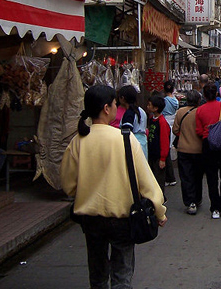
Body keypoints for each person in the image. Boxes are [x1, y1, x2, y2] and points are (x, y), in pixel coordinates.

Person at [61, 85, 167, 289]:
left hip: (91, 220)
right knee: (122, 276)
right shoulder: (126, 140)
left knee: (98, 276)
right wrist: (159, 212)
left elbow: (68, 185)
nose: (116, 107)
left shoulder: (78, 142)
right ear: (106, 108)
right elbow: (146, 182)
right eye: (114, 104)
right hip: (122, 219)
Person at [195, 83, 221, 219]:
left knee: (211, 176)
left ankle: (215, 208)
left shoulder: (200, 110)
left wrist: (207, 135)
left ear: (204, 95)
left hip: (209, 144)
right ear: (217, 93)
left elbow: (199, 130)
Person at [173, 90, 203, 215]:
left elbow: (175, 130)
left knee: (186, 176)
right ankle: (197, 198)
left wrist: (184, 135)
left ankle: (190, 202)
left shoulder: (180, 112)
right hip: (199, 149)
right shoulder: (201, 112)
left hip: (184, 149)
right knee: (198, 175)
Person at [146, 95, 171, 195]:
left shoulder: (162, 122)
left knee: (159, 178)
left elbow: (165, 141)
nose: (147, 106)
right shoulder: (152, 119)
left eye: (149, 105)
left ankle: (160, 197)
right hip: (152, 153)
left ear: (156, 108)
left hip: (158, 156)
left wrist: (163, 158)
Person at [118, 85, 148, 159]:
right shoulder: (141, 111)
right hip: (143, 144)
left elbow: (126, 133)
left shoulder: (129, 113)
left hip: (133, 146)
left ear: (122, 98)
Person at [162, 80, 179, 187]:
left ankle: (169, 175)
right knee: (169, 144)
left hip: (165, 122)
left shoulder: (164, 101)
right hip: (173, 122)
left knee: (165, 146)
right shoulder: (175, 101)